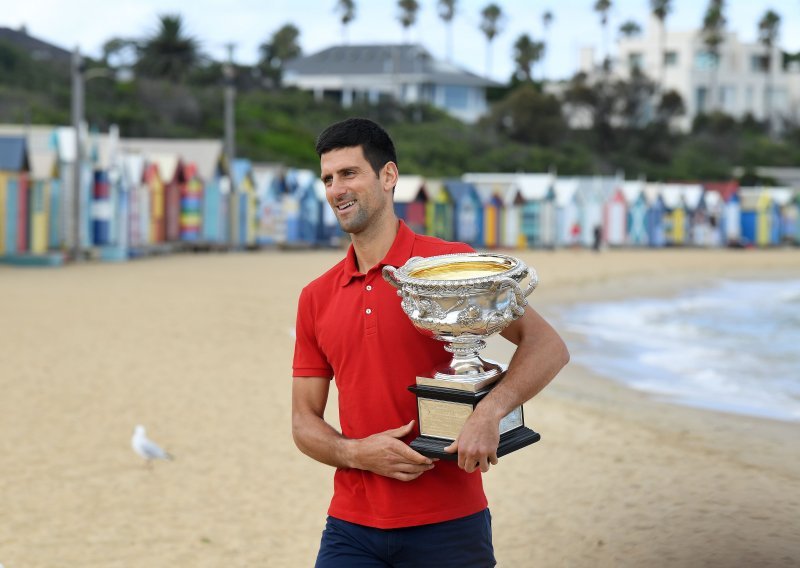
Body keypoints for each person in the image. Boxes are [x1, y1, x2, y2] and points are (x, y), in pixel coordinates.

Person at [292, 117, 569, 567]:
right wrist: (356, 452)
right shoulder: (316, 297)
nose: (336, 189)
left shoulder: (448, 265)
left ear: (388, 176)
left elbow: (548, 346)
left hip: (449, 525)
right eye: (328, 178)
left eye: (349, 173)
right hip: (351, 527)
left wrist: (489, 413)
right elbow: (303, 422)